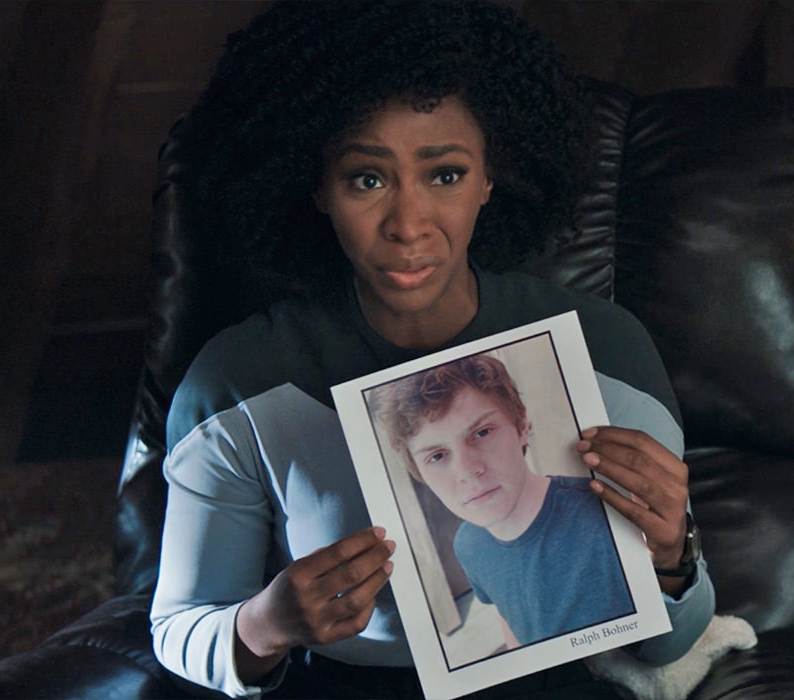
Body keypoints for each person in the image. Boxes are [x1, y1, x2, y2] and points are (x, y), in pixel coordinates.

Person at [148, 2, 715, 698]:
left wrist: (672, 557)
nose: (408, 225)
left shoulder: (608, 353)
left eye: (443, 174)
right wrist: (267, 624)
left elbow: (668, 647)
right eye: (367, 178)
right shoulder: (237, 381)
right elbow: (176, 626)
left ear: (490, 177)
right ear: (317, 187)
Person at [371, 353, 634, 651]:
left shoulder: (603, 514)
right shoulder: (467, 544)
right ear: (420, 474)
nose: (468, 472)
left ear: (522, 427)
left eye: (482, 433)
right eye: (437, 456)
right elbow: (509, 618)